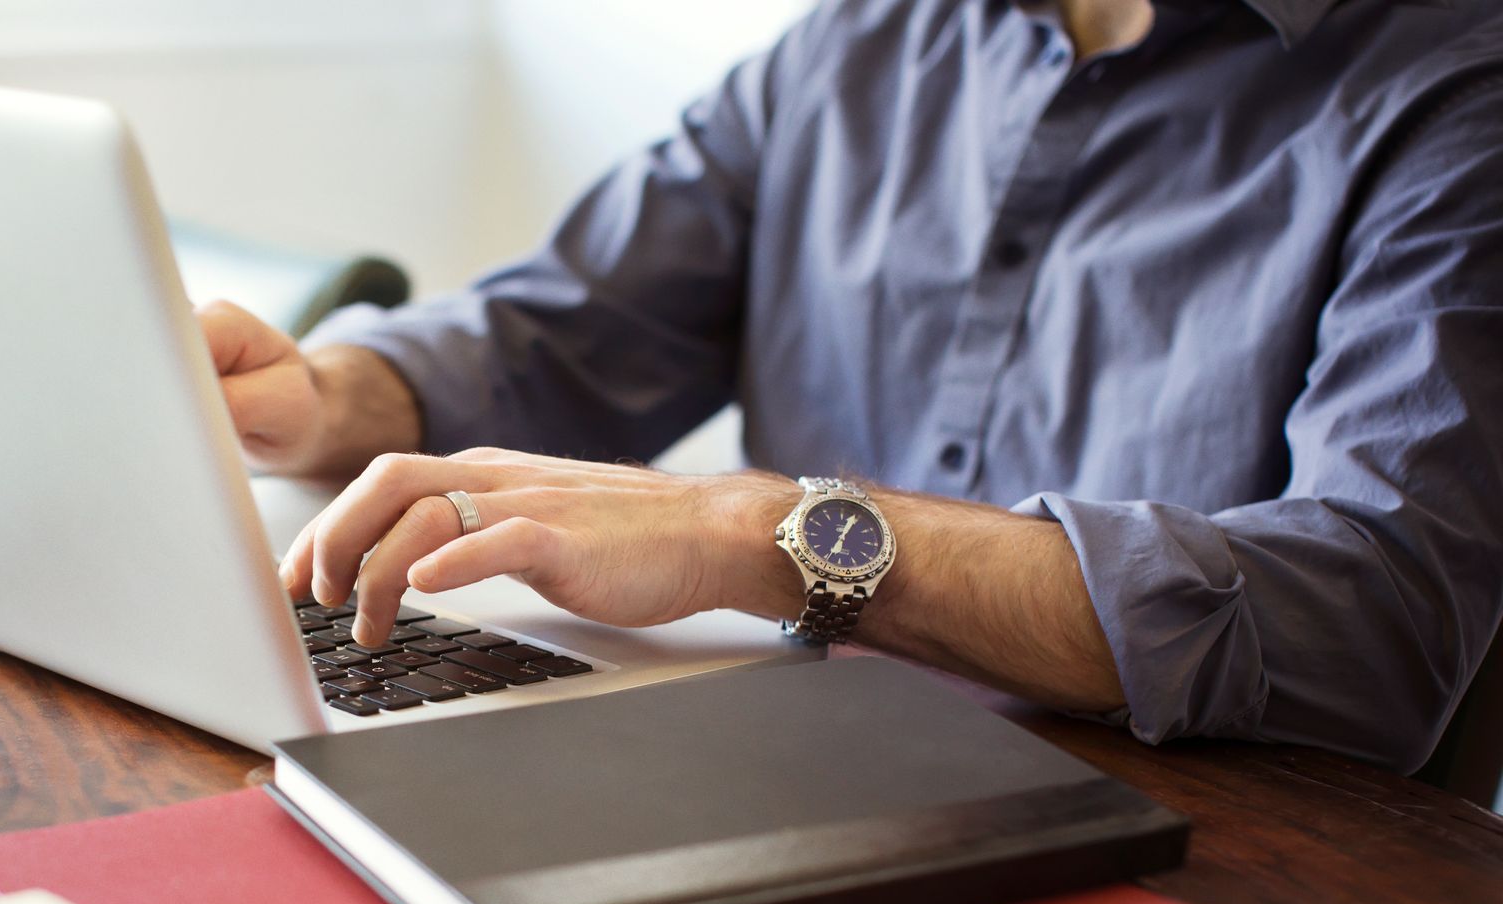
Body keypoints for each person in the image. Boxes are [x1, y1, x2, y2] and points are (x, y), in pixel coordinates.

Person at [197, 0, 1503, 774]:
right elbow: (578, 321)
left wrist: (761, 533)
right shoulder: (869, 33)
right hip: (789, 751)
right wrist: (331, 396)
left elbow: (1372, 615)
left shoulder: (1457, 90)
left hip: (1213, 846)